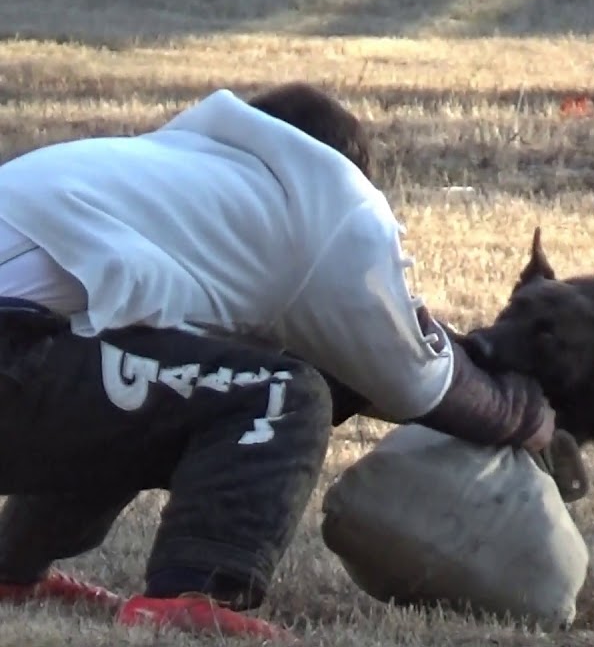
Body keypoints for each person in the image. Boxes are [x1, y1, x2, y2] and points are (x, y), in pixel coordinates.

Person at [0, 82, 561, 642]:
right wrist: (525, 415)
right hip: (14, 350)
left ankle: (11, 572)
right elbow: (416, 377)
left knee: (159, 381)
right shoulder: (326, 198)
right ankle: (191, 595)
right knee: (283, 394)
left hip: (24, 351)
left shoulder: (176, 174)